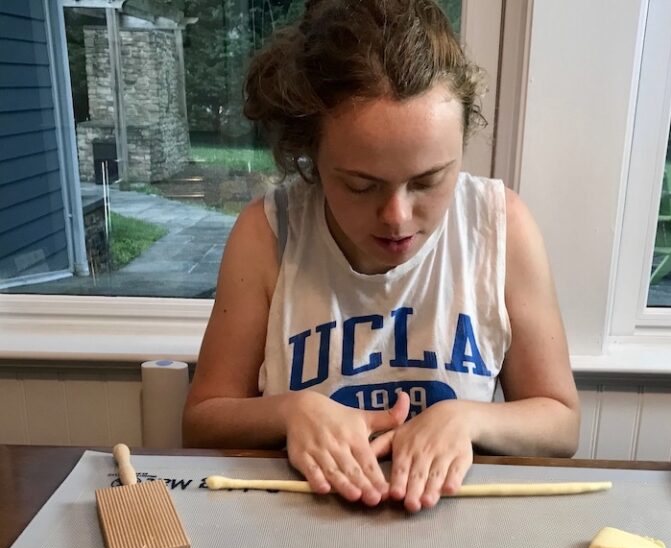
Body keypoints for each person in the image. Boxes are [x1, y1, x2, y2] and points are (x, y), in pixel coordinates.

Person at [183, 0, 580, 512]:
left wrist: (469, 418)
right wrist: (291, 413)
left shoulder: (501, 226)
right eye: (360, 185)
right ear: (312, 158)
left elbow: (561, 422)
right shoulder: (266, 234)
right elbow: (201, 420)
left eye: (429, 180)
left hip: (455, 522)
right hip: (297, 521)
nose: (396, 216)